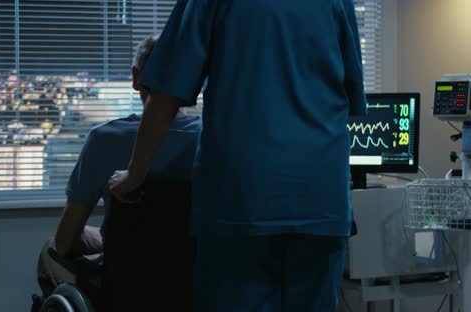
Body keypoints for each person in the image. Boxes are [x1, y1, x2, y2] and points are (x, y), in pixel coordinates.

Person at [108, 1, 367, 311]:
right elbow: (349, 94)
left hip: (242, 199)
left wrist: (134, 174)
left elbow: (165, 96)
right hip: (321, 197)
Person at [37, 34, 201, 292]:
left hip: (124, 286)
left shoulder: (104, 140)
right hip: (194, 285)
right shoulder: (212, 140)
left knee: (50, 249)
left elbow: (66, 241)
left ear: (137, 78)